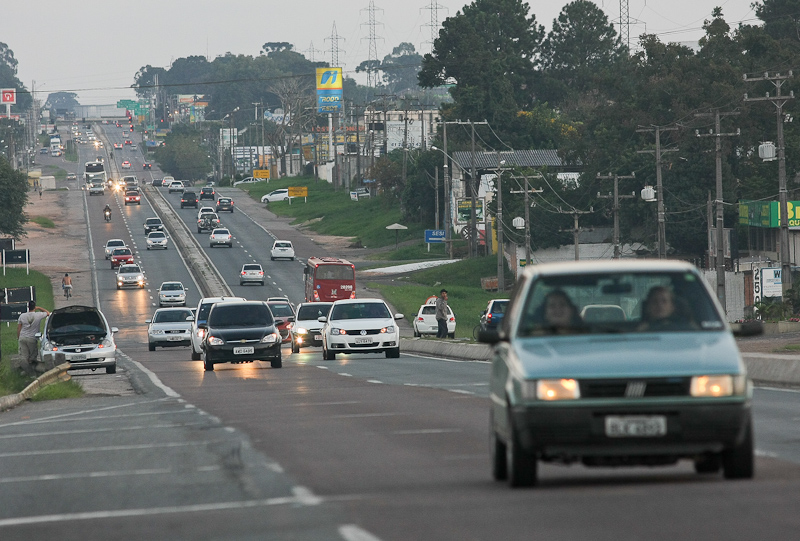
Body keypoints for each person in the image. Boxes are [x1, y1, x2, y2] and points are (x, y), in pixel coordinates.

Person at [17, 301, 50, 374]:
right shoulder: (38, 315)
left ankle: (25, 371)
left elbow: (19, 328)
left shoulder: (22, 316)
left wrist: (19, 337)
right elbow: (48, 313)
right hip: (32, 338)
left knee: (24, 356)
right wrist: (39, 308)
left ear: (28, 307)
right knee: (32, 357)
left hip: (22, 337)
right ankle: (32, 372)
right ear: (34, 307)